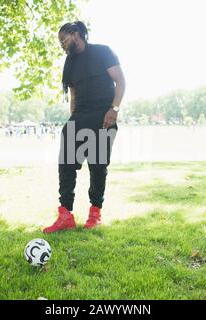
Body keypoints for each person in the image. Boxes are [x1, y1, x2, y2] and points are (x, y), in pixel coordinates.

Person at [43, 21, 126, 233]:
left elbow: (121, 81)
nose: (61, 44)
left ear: (76, 34)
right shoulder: (69, 63)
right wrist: (73, 120)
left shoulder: (103, 52)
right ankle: (65, 214)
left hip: (103, 116)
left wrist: (114, 109)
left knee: (98, 166)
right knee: (66, 164)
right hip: (79, 117)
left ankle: (95, 213)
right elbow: (73, 95)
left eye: (63, 39)